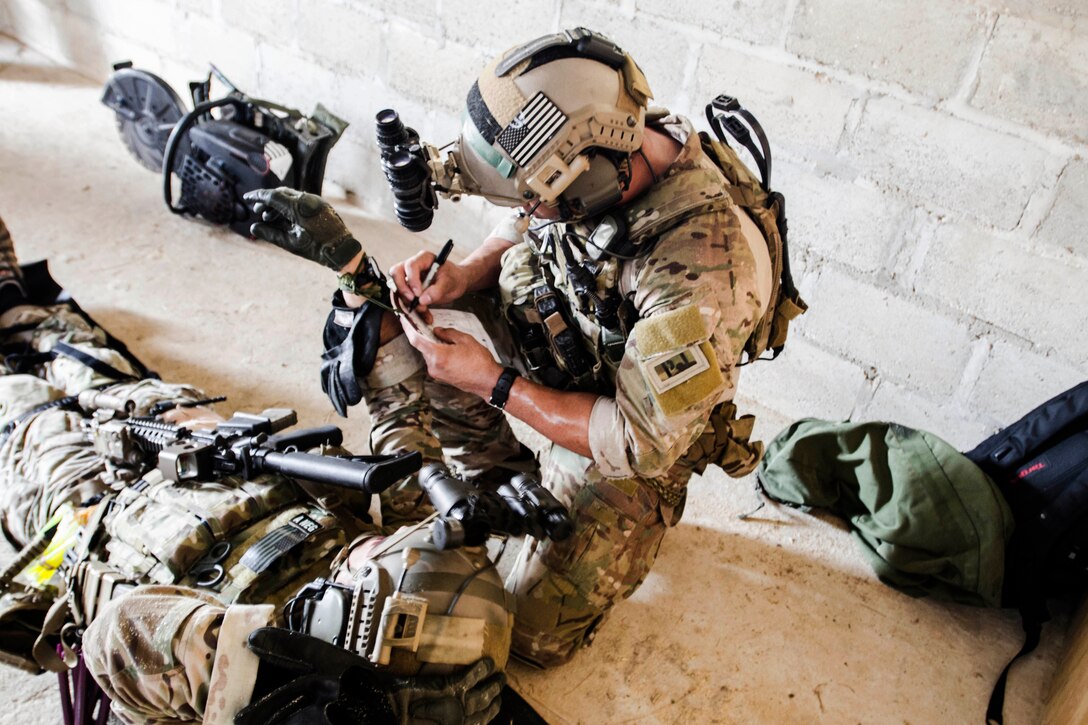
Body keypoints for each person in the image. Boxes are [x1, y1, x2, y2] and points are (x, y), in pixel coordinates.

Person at [247, 27, 787, 668]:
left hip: (634, 434)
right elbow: (525, 222)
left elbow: (640, 441)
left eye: (541, 198)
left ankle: (570, 506)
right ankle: (494, 482)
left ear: (584, 182)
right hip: (577, 345)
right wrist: (463, 276)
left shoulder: (703, 272)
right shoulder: (601, 150)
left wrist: (491, 383)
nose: (533, 209)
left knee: (528, 633)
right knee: (411, 333)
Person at [0, 213, 508, 724]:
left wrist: (266, 670)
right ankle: (15, 303)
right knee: (87, 360)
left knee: (21, 407)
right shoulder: (417, 560)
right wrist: (356, 276)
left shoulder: (248, 691)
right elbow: (400, 415)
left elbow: (120, 634)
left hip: (92, 514)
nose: (378, 543)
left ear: (353, 625)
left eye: (373, 566)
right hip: (195, 446)